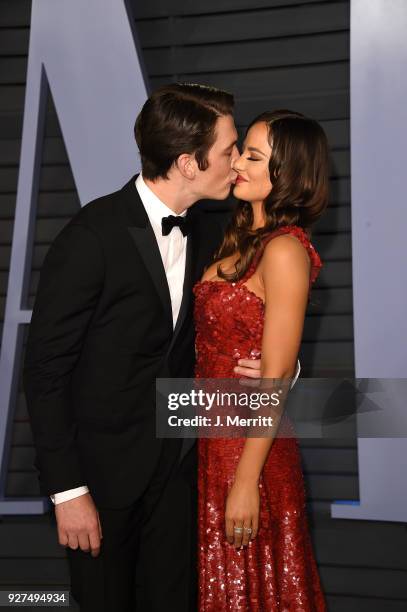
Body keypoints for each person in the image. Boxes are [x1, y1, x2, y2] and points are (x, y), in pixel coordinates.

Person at [23, 83, 262, 612]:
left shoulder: (213, 231)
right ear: (188, 163)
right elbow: (44, 374)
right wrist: (67, 492)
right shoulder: (92, 235)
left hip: (179, 475)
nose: (237, 162)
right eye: (228, 151)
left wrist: (263, 361)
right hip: (101, 487)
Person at [194, 110, 329, 610]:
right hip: (212, 446)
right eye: (241, 151)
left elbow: (272, 377)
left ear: (288, 174)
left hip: (253, 453)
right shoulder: (240, 240)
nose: (237, 163)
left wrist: (246, 480)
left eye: (253, 155)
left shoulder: (284, 251)